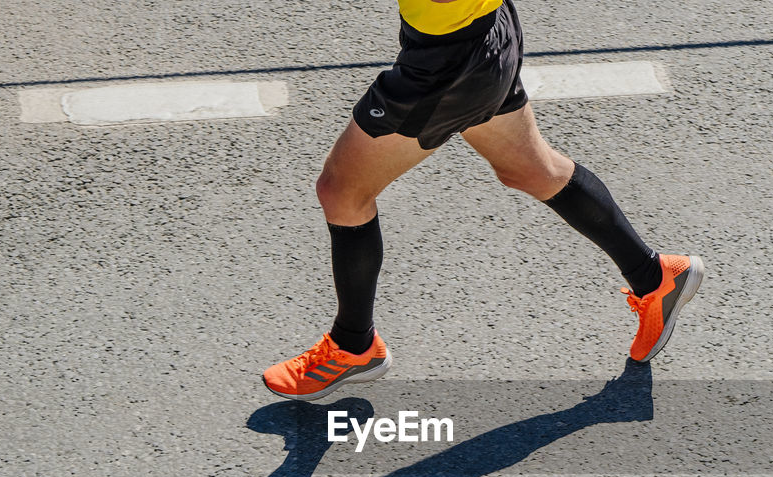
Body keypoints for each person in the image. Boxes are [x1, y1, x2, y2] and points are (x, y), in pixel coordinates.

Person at [263, 0, 703, 400]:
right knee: (532, 171)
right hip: (485, 35)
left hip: (448, 63)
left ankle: (352, 345)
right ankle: (655, 277)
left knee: (342, 192)